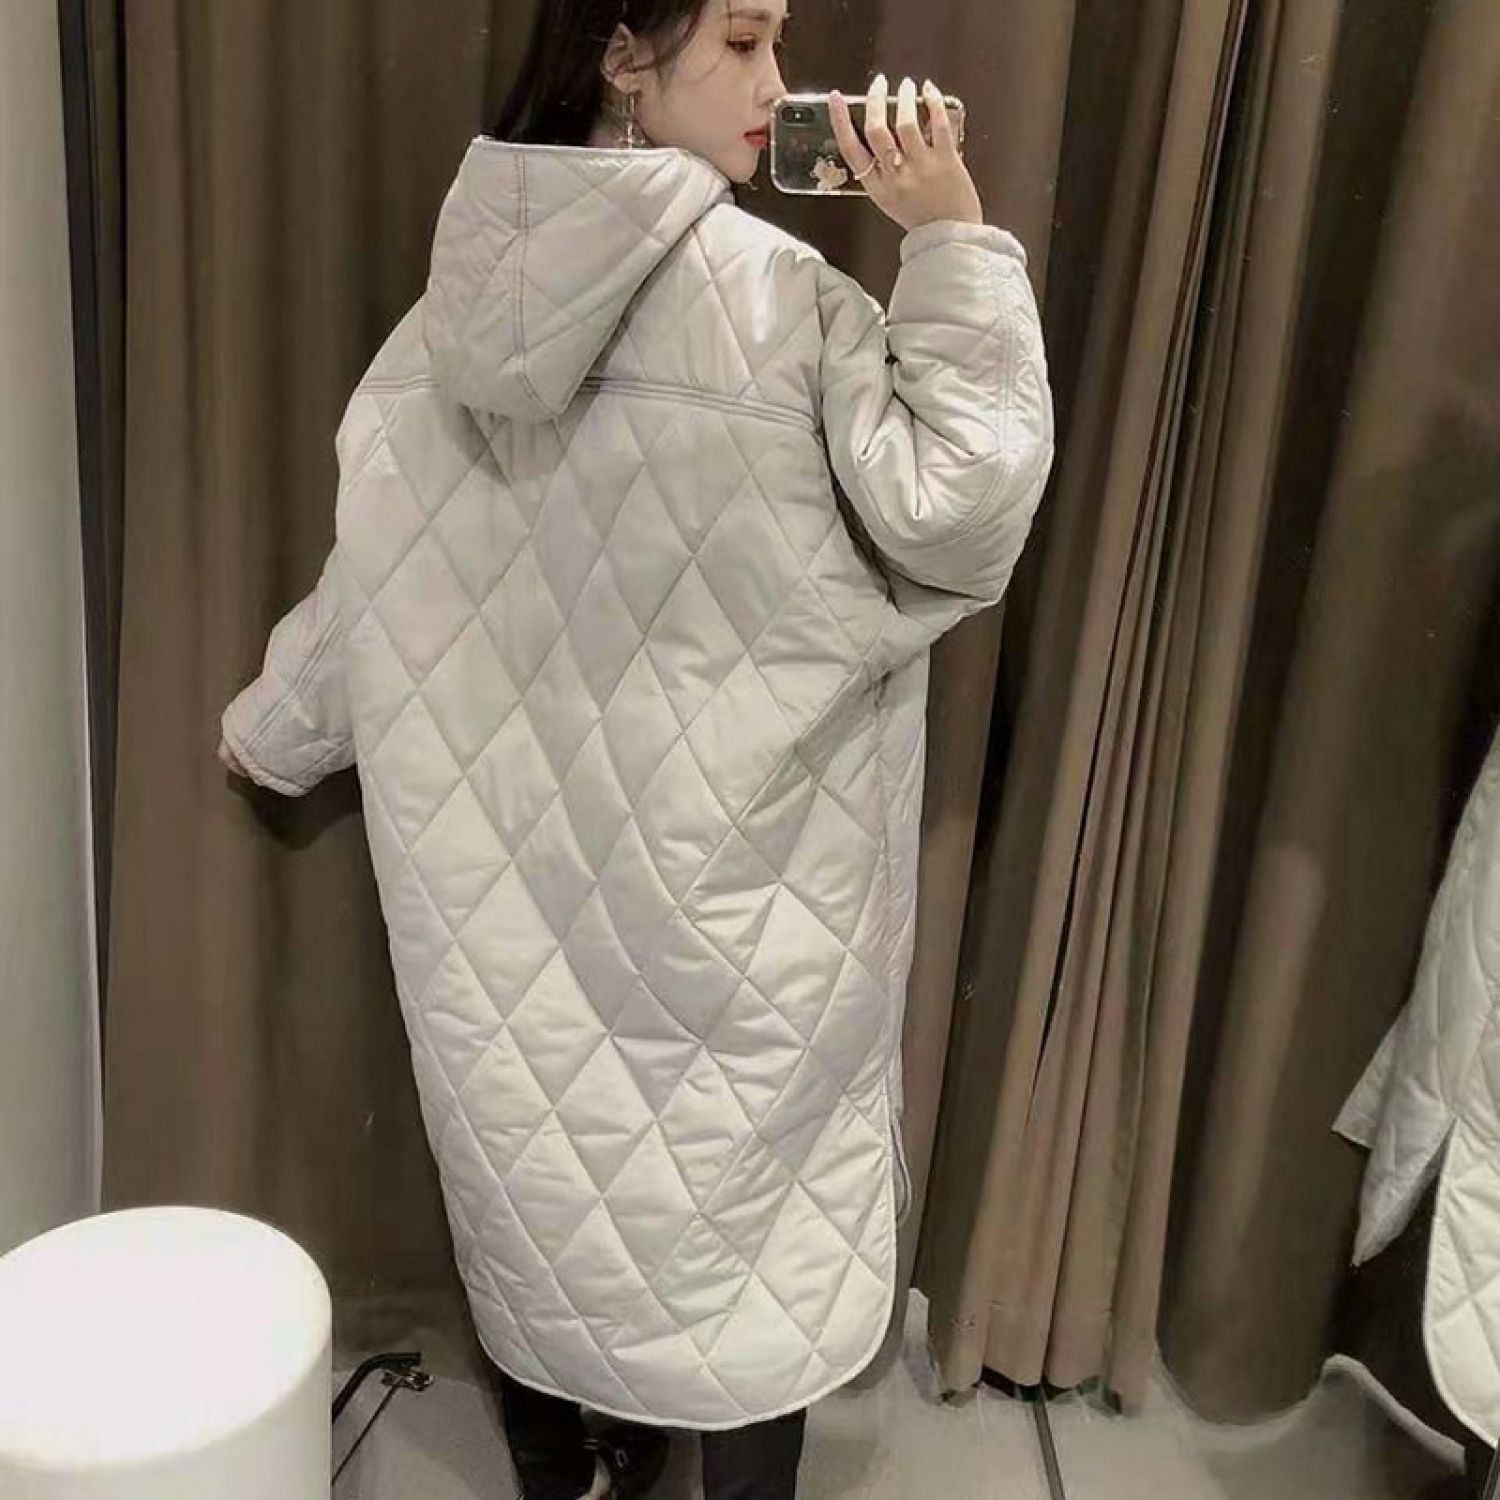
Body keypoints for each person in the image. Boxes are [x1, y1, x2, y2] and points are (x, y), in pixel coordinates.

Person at [218, 1, 1054, 1494]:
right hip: (740, 930)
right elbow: (961, 517)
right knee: (741, 1287)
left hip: (503, 928)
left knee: (549, 1217)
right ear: (619, 56)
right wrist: (952, 240)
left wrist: (270, 736)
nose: (780, 85)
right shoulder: (787, 308)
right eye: (742, 43)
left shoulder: (436, 338)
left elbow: (371, 587)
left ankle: (568, 1470)